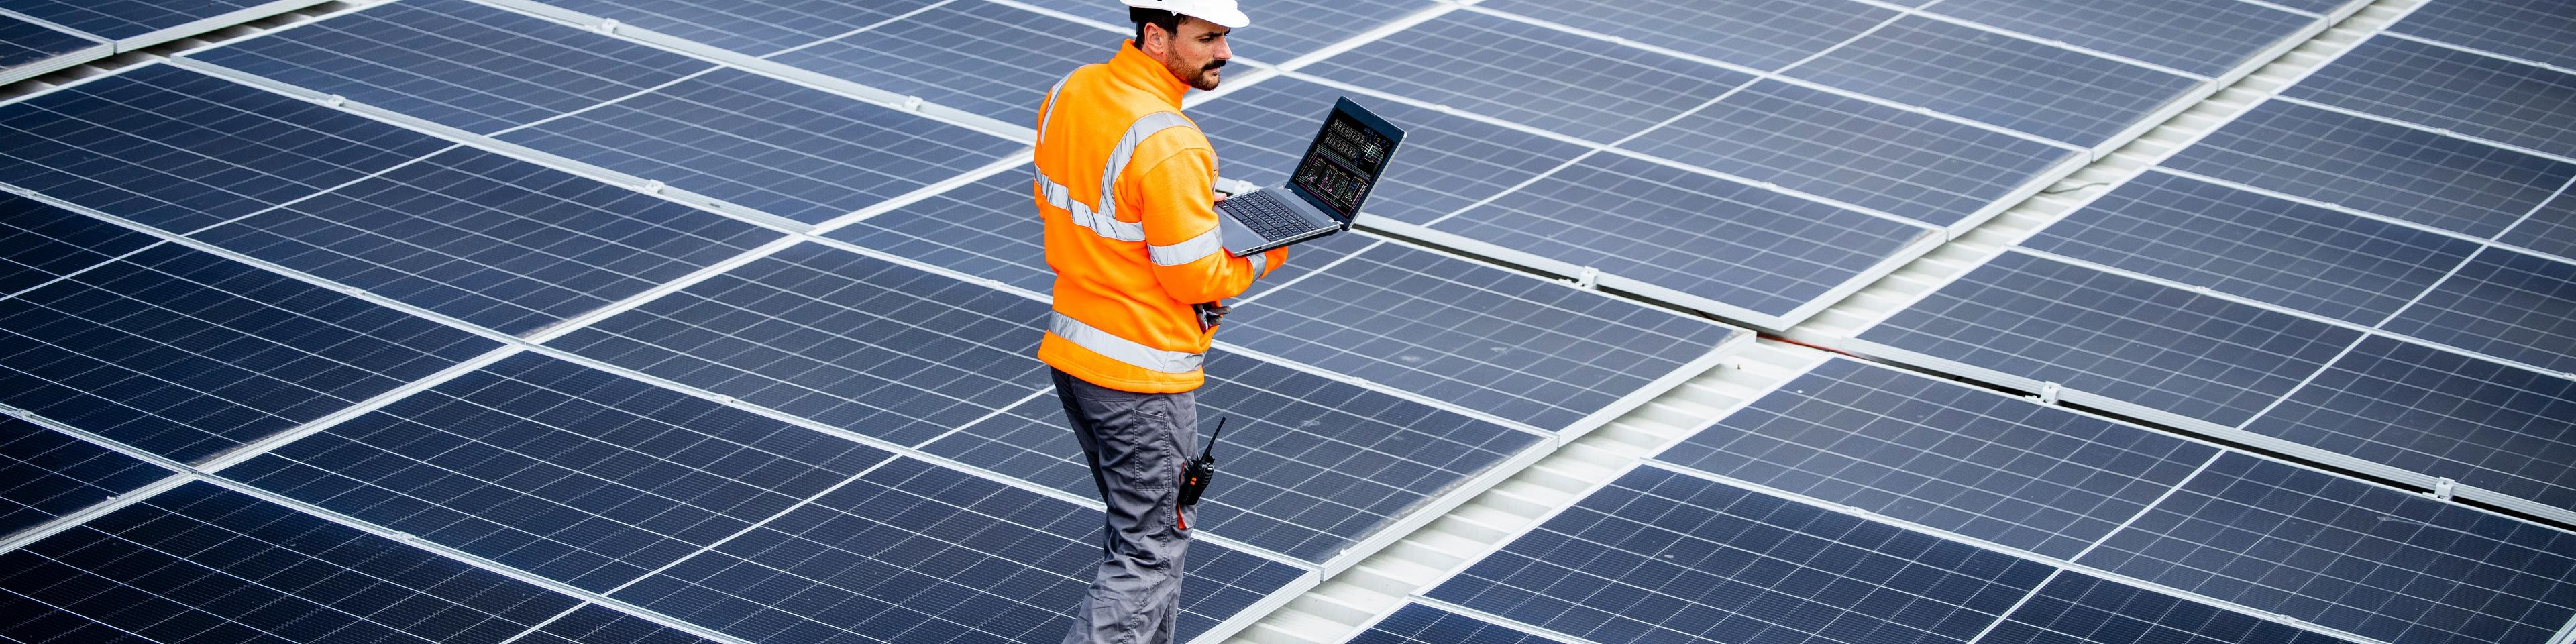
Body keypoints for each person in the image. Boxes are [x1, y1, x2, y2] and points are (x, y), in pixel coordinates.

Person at [1030, 1, 1289, 642]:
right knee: (1149, 549)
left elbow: (1082, 199)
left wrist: (1193, 213)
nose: (1224, 52)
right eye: (1207, 37)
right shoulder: (1170, 141)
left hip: (1076, 353)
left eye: (1224, 37)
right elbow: (1197, 279)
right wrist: (1269, 248)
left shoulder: (1075, 90)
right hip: (1140, 374)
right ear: (1156, 35)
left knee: (1145, 535)